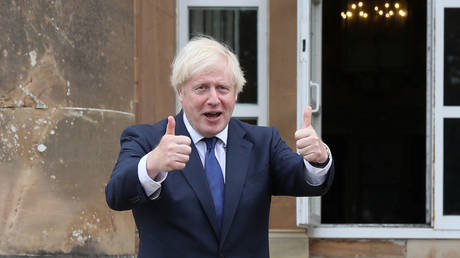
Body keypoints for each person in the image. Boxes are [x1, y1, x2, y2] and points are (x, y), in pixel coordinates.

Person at [105, 36, 334, 258]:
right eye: (202, 88)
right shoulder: (147, 139)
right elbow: (116, 195)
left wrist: (318, 158)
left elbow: (304, 179)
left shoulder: (263, 143)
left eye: (222, 88)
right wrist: (153, 163)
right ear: (180, 92)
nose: (213, 99)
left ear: (235, 94)